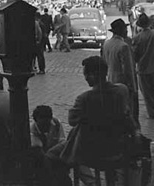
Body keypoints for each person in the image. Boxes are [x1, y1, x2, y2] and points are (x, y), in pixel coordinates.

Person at [47, 56, 135, 186]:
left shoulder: (84, 99)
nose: (85, 78)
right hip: (118, 146)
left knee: (51, 155)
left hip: (93, 151)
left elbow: (71, 120)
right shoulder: (122, 91)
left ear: (95, 75)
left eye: (87, 74)